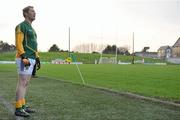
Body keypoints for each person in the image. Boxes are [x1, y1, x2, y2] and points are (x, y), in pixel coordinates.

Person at [15, 6, 40, 117]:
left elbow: (34, 45)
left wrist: (37, 57)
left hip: (31, 58)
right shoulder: (21, 26)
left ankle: (23, 105)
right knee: (22, 82)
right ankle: (18, 108)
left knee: (26, 83)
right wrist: (23, 56)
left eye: (34, 11)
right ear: (25, 13)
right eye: (32, 11)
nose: (34, 13)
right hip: (24, 58)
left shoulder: (32, 29)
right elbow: (19, 43)